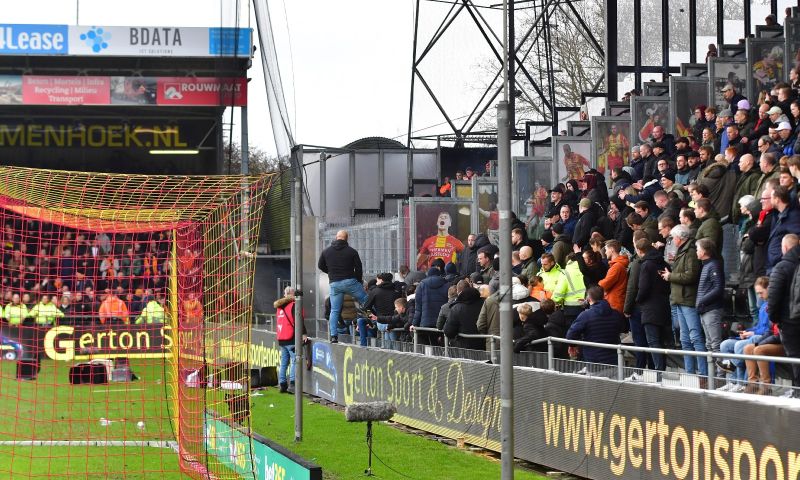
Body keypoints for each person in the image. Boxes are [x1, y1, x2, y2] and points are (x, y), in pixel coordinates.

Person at [662, 225, 707, 380]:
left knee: (695, 337)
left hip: (688, 299)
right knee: (684, 339)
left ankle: (703, 375)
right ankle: (690, 374)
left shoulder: (691, 252)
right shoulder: (683, 251)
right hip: (679, 298)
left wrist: (671, 276)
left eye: (674, 238)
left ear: (680, 237)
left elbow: (691, 276)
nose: (673, 241)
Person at [717, 276, 772, 392]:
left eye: (761, 293)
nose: (759, 296)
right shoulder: (763, 305)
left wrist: (752, 333)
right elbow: (758, 326)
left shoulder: (772, 305)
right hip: (756, 334)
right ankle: (733, 382)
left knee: (739, 346)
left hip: (764, 337)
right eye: (757, 293)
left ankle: (737, 375)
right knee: (725, 345)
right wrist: (747, 332)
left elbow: (768, 330)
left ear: (769, 289)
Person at [318, 230, 368, 343]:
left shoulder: (326, 251)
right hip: (350, 282)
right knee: (366, 301)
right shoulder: (352, 252)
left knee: (335, 310)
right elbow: (359, 268)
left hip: (335, 284)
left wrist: (331, 272)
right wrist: (358, 281)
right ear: (347, 238)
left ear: (336, 237)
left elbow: (320, 265)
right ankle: (372, 319)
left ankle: (333, 336)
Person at [634, 238, 672, 372]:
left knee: (653, 341)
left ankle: (659, 371)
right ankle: (662, 369)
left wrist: (638, 300)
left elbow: (643, 287)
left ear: (639, 250)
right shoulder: (663, 263)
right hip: (664, 306)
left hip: (650, 308)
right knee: (660, 341)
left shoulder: (646, 265)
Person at [566, 286, 623, 366]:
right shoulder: (616, 314)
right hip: (615, 361)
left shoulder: (585, 315)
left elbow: (571, 335)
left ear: (588, 299)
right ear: (603, 296)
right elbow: (623, 328)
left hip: (594, 361)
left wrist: (572, 345)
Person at [695, 238, 726, 365]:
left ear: (704, 251)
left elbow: (718, 288)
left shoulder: (714, 265)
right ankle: (712, 377)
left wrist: (701, 301)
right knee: (709, 345)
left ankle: (719, 378)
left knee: (715, 345)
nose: (696, 251)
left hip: (711, 309)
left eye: (697, 249)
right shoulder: (707, 265)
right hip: (705, 309)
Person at [274, 287, 306, 393]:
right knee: (294, 361)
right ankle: (292, 384)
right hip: (291, 338)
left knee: (284, 363)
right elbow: (299, 320)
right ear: (290, 293)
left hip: (282, 338)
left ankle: (282, 384)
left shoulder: (279, 307)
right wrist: (304, 334)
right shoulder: (293, 305)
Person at [443, 281, 485, 350]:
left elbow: (448, 331)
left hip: (463, 348)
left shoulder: (456, 308)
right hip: (483, 345)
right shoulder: (484, 303)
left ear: (458, 291)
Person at [413, 266, 449, 345]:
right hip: (441, 323)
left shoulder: (421, 285)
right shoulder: (446, 284)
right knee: (441, 348)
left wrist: (414, 324)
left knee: (428, 348)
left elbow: (418, 308)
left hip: (425, 323)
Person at [598, 240, 629, 315]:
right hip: (616, 303)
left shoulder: (617, 266)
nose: (605, 252)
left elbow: (604, 284)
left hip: (615, 305)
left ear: (612, 249)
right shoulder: (617, 265)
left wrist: (599, 282)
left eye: (606, 250)